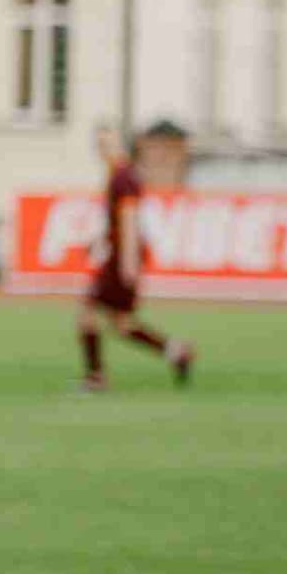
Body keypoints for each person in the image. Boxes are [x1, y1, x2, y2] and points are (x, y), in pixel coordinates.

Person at [76, 125, 195, 392]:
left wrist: (129, 263)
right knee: (122, 324)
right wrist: (99, 240)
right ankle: (177, 352)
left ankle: (95, 378)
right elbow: (119, 221)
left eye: (108, 142)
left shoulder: (123, 178)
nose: (102, 149)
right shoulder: (119, 176)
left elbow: (130, 221)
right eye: (99, 143)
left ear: (120, 145)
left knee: (89, 315)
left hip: (120, 260)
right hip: (119, 256)